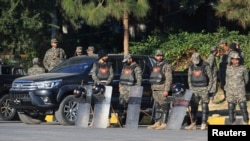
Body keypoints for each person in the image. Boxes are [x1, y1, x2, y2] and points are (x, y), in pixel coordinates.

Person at [185, 52, 212, 130]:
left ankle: (204, 123)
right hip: (194, 88)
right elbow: (189, 77)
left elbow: (211, 78)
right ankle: (193, 123)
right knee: (194, 106)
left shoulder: (205, 65)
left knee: (204, 106)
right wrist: (191, 87)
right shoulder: (191, 66)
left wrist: (208, 88)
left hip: (204, 88)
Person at [147, 50, 173, 130]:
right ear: (155, 56)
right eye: (158, 55)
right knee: (157, 106)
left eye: (161, 55)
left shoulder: (166, 65)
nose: (159, 57)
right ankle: (157, 122)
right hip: (155, 88)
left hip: (162, 88)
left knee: (164, 105)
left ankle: (164, 123)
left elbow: (169, 78)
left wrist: (166, 90)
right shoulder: (155, 65)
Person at [225, 51, 249, 125]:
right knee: (231, 107)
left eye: (238, 59)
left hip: (240, 91)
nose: (237, 61)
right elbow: (226, 79)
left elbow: (246, 79)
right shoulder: (228, 68)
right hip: (230, 91)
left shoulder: (243, 68)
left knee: (243, 106)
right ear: (231, 60)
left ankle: (246, 122)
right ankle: (232, 122)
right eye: (235, 59)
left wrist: (240, 86)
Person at [119, 54, 142, 125]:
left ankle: (131, 120)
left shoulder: (136, 68)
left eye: (127, 60)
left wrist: (136, 90)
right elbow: (121, 77)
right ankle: (121, 121)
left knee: (131, 105)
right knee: (121, 104)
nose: (125, 62)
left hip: (131, 89)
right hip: (123, 89)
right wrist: (120, 86)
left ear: (131, 59)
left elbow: (139, 80)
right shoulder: (125, 66)